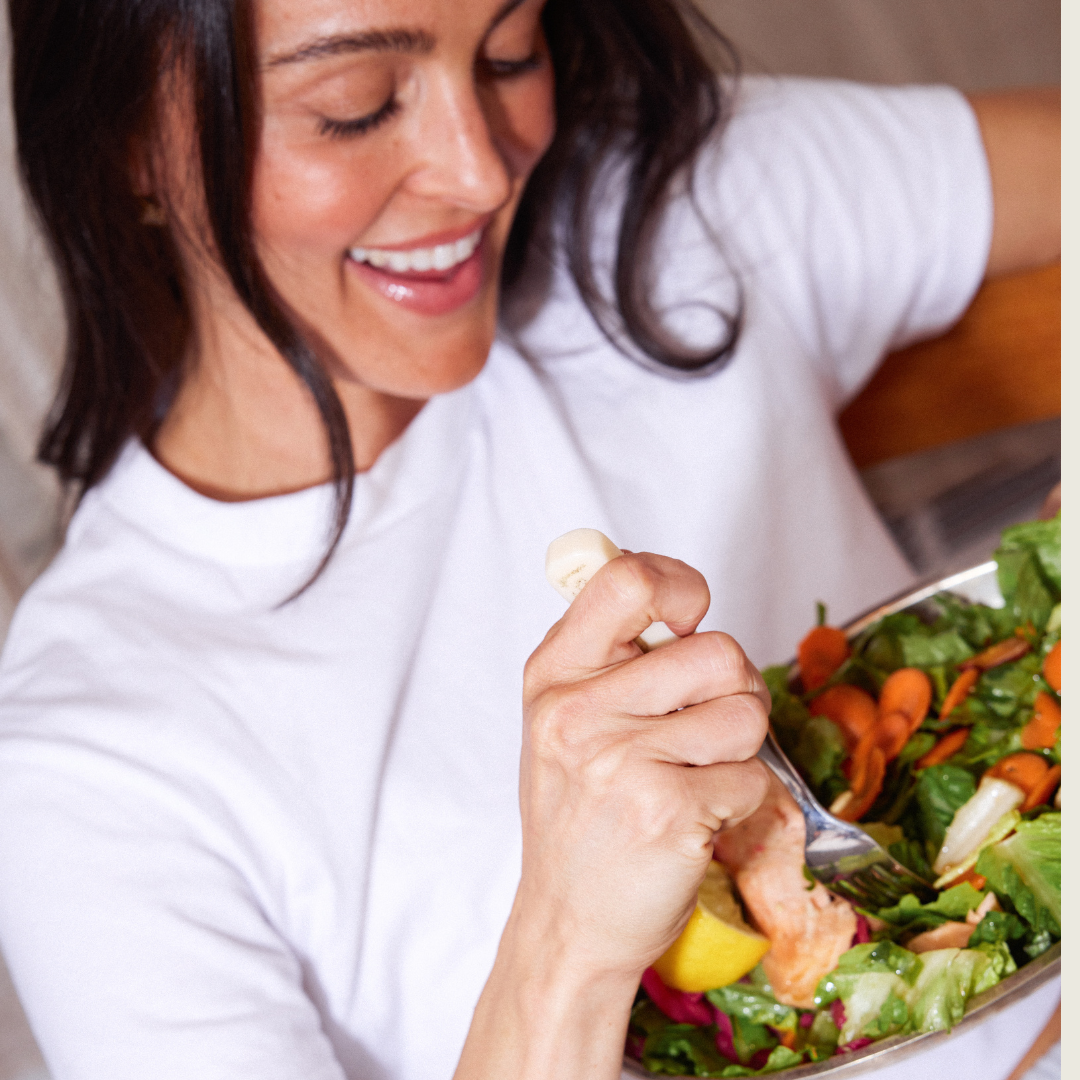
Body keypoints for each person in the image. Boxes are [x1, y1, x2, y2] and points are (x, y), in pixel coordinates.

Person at [0, 1, 1059, 1078]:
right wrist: (568, 947)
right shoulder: (94, 756)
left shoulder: (656, 212)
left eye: (510, 53)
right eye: (353, 110)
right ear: (131, 134)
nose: (479, 170)